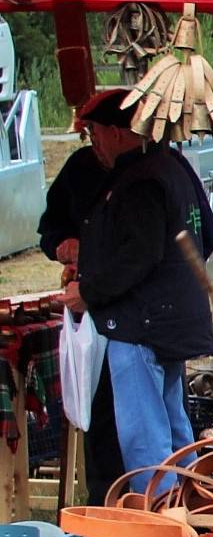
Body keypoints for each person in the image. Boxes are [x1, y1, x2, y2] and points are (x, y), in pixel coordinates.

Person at [67, 89, 213, 492]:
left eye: (95, 132)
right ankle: (191, 513)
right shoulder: (172, 166)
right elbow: (209, 235)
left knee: (146, 442)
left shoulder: (139, 180)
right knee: (173, 432)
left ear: (118, 133)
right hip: (166, 322)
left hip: (141, 327)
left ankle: (162, 534)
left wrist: (89, 291)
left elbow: (139, 256)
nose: (94, 142)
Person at [37, 141, 124, 502]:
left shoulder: (145, 171)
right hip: (90, 313)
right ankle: (103, 502)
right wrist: (64, 245)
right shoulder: (80, 167)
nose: (95, 142)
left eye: (97, 132)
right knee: (98, 408)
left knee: (139, 420)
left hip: (131, 311)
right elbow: (49, 229)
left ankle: (148, 506)